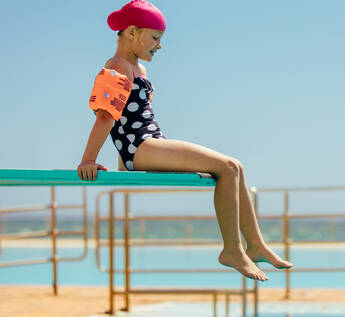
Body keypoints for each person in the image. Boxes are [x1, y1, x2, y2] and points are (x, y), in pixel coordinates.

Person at [78, 0, 292, 281]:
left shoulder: (138, 69)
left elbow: (131, 119)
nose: (160, 45)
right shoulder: (118, 66)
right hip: (142, 147)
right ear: (131, 32)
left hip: (147, 144)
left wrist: (123, 161)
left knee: (234, 167)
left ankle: (255, 244)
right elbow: (106, 117)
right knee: (226, 166)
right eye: (155, 38)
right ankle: (232, 249)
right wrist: (89, 160)